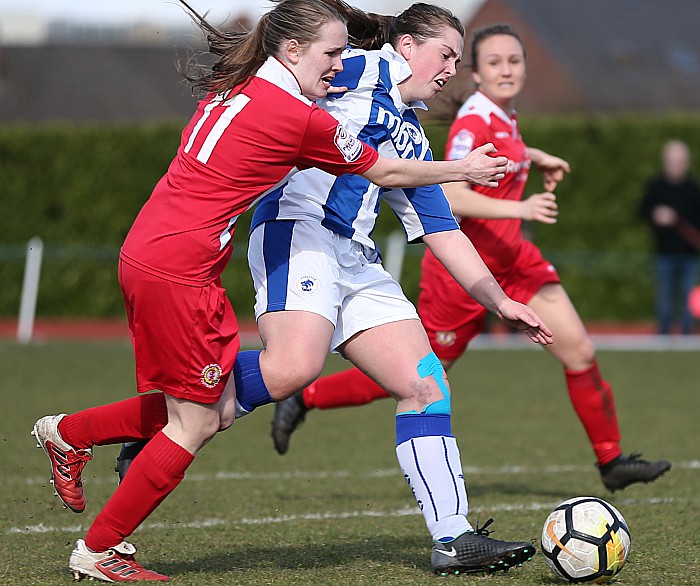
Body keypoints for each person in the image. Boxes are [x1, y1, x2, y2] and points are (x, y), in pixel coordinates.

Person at [30, 2, 516, 582]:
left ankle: (453, 537)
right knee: (233, 398)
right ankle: (102, 507)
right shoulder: (348, 76)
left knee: (423, 382)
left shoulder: (395, 131)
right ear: (405, 46)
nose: (449, 72)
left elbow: (437, 224)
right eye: (446, 56)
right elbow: (369, 159)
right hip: (297, 231)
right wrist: (466, 170)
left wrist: (499, 299)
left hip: (347, 257)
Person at [271, 22, 672, 495]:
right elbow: (453, 196)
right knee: (419, 375)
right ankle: (306, 396)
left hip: (514, 258)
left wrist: (533, 156)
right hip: (464, 271)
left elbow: (504, 157)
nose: (507, 70)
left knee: (579, 351)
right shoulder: (472, 120)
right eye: (495, 63)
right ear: (477, 76)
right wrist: (521, 207)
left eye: (515, 61)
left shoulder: (504, 116)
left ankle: (611, 459)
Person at [638, 139, 700, 335]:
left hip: (689, 253)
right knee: (664, 295)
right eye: (672, 160)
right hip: (664, 252)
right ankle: (663, 333)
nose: (676, 164)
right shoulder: (656, 187)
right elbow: (642, 210)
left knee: (687, 294)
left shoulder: (693, 188)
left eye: (680, 160)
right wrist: (656, 214)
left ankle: (687, 332)